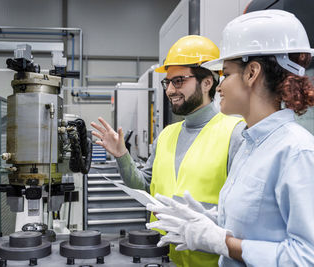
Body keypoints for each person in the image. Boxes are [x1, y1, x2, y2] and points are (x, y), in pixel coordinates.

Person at [146, 9, 314, 267]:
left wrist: (223, 243)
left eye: (225, 73)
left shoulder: (296, 151)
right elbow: (257, 227)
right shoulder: (252, 145)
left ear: (252, 73)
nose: (219, 86)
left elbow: (306, 258)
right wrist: (209, 222)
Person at [91, 35, 245, 266]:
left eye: (179, 81)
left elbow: (245, 216)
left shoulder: (235, 133)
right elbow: (145, 186)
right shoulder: (166, 135)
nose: (170, 90)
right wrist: (122, 156)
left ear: (207, 83)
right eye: (168, 82)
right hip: (164, 258)